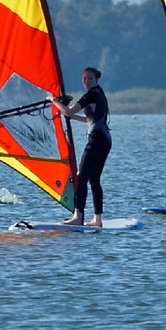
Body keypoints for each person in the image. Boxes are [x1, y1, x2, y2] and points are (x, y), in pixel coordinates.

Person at [49, 66, 110, 226]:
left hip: (96, 140)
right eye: (84, 79)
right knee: (94, 179)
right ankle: (97, 220)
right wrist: (75, 117)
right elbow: (90, 119)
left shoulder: (91, 95)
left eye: (90, 78)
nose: (87, 82)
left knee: (81, 177)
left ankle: (78, 217)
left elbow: (67, 112)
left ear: (96, 79)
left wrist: (53, 101)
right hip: (104, 140)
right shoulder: (100, 93)